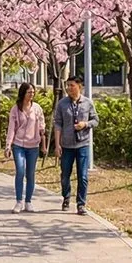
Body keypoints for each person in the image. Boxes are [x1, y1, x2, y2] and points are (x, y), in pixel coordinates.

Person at [52, 76, 100, 214]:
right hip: (66, 145)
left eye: (72, 85)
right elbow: (58, 124)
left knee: (83, 176)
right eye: (67, 86)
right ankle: (66, 197)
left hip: (82, 144)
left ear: (80, 86)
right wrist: (57, 144)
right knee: (65, 175)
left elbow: (95, 120)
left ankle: (81, 204)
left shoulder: (88, 103)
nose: (69, 88)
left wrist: (85, 124)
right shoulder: (62, 104)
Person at [4, 82, 46, 213]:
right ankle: (19, 201)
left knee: (30, 174)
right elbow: (11, 129)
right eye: (29, 92)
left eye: (33, 92)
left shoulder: (37, 108)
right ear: (23, 93)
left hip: (33, 145)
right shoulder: (16, 109)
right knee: (20, 171)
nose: (31, 94)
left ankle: (28, 201)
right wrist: (8, 146)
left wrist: (43, 145)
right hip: (19, 145)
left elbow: (42, 128)